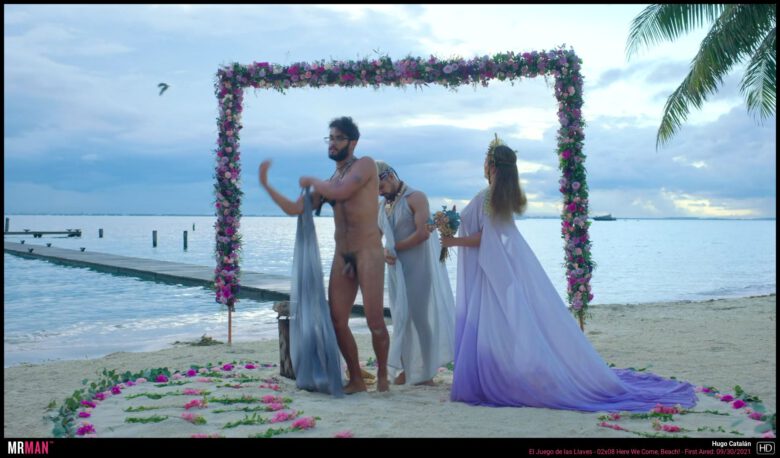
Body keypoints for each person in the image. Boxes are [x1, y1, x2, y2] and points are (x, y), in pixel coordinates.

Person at [440, 138, 697, 411]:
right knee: (504, 323)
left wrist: (452, 241)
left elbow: (486, 237)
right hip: (499, 269)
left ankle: (500, 375)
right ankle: (508, 371)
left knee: (495, 324)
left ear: (491, 165)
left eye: (486, 160)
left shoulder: (488, 196)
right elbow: (493, 237)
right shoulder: (501, 196)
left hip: (490, 271)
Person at [258, 116, 390, 393]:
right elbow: (296, 209)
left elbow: (343, 191)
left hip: (368, 252)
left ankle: (382, 376)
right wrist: (266, 185)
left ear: (353, 142)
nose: (332, 143)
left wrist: (313, 181)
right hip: (343, 256)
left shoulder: (365, 165)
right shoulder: (330, 180)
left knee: (375, 320)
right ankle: (356, 378)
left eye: (339, 138)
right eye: (330, 138)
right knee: (337, 320)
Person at [375, 161, 455, 386]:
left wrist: (394, 249)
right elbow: (375, 236)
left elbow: (422, 234)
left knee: (420, 319)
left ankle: (427, 373)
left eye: (380, 187)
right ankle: (407, 369)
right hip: (396, 270)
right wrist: (382, 252)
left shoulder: (416, 197)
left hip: (419, 267)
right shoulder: (382, 206)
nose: (379, 193)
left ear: (390, 176)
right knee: (400, 317)